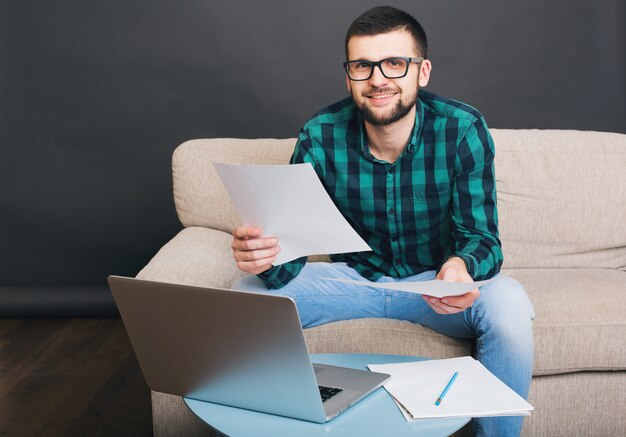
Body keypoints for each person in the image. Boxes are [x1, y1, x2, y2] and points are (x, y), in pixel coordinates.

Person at [231, 6, 534, 437]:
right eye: (363, 66)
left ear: (422, 71)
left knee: (510, 303)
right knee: (242, 295)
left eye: (394, 63)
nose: (378, 79)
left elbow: (482, 238)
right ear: (349, 75)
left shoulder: (462, 128)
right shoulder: (320, 134)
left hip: (433, 288)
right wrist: (262, 257)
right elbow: (289, 254)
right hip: (353, 282)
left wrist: (461, 267)